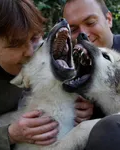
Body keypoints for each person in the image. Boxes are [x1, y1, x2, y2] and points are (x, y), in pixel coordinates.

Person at [0, 0, 59, 149]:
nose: (30, 52)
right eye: (16, 44)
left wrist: (78, 103)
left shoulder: (41, 49)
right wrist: (9, 135)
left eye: (34, 38)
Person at [63, 0, 120, 149]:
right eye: (73, 29)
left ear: (108, 19)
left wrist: (87, 126)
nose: (84, 35)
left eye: (90, 22)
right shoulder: (67, 65)